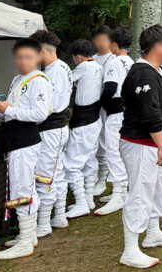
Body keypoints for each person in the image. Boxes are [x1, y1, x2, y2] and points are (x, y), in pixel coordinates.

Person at [0, 39, 50, 260]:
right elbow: (7, 109)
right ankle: (30, 235)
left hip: (25, 140)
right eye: (19, 57)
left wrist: (10, 109)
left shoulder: (39, 80)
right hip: (14, 140)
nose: (22, 61)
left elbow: (39, 114)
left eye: (28, 57)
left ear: (37, 57)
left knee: (22, 189)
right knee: (23, 187)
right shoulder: (18, 78)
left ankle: (25, 241)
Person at [119, 25, 162, 268]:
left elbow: (155, 105)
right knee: (140, 191)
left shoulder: (156, 70)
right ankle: (130, 249)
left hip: (154, 142)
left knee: (156, 188)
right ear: (158, 46)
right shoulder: (143, 74)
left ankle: (153, 231)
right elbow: (148, 113)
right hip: (141, 143)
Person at [30, 30, 73, 235]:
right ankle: (59, 216)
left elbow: (49, 105)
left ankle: (43, 223)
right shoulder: (62, 66)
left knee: (46, 176)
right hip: (57, 128)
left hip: (51, 128)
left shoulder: (54, 71)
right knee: (58, 173)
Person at [94, 27, 133, 216]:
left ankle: (119, 193)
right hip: (130, 111)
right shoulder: (131, 62)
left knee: (112, 150)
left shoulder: (114, 63)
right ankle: (123, 190)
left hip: (116, 111)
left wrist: (98, 104)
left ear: (115, 44)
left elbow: (110, 89)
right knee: (122, 151)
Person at [63, 40, 104, 218]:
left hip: (83, 121)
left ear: (78, 57)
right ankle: (88, 198)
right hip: (95, 119)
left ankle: (80, 202)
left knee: (71, 162)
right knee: (89, 159)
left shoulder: (83, 67)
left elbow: (66, 81)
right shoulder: (98, 67)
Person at [92, 25, 114, 196]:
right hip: (91, 107)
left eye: (103, 39)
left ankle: (104, 176)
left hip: (108, 106)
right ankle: (95, 175)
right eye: (97, 39)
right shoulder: (91, 59)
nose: (100, 43)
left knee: (106, 139)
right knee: (94, 140)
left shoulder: (114, 59)